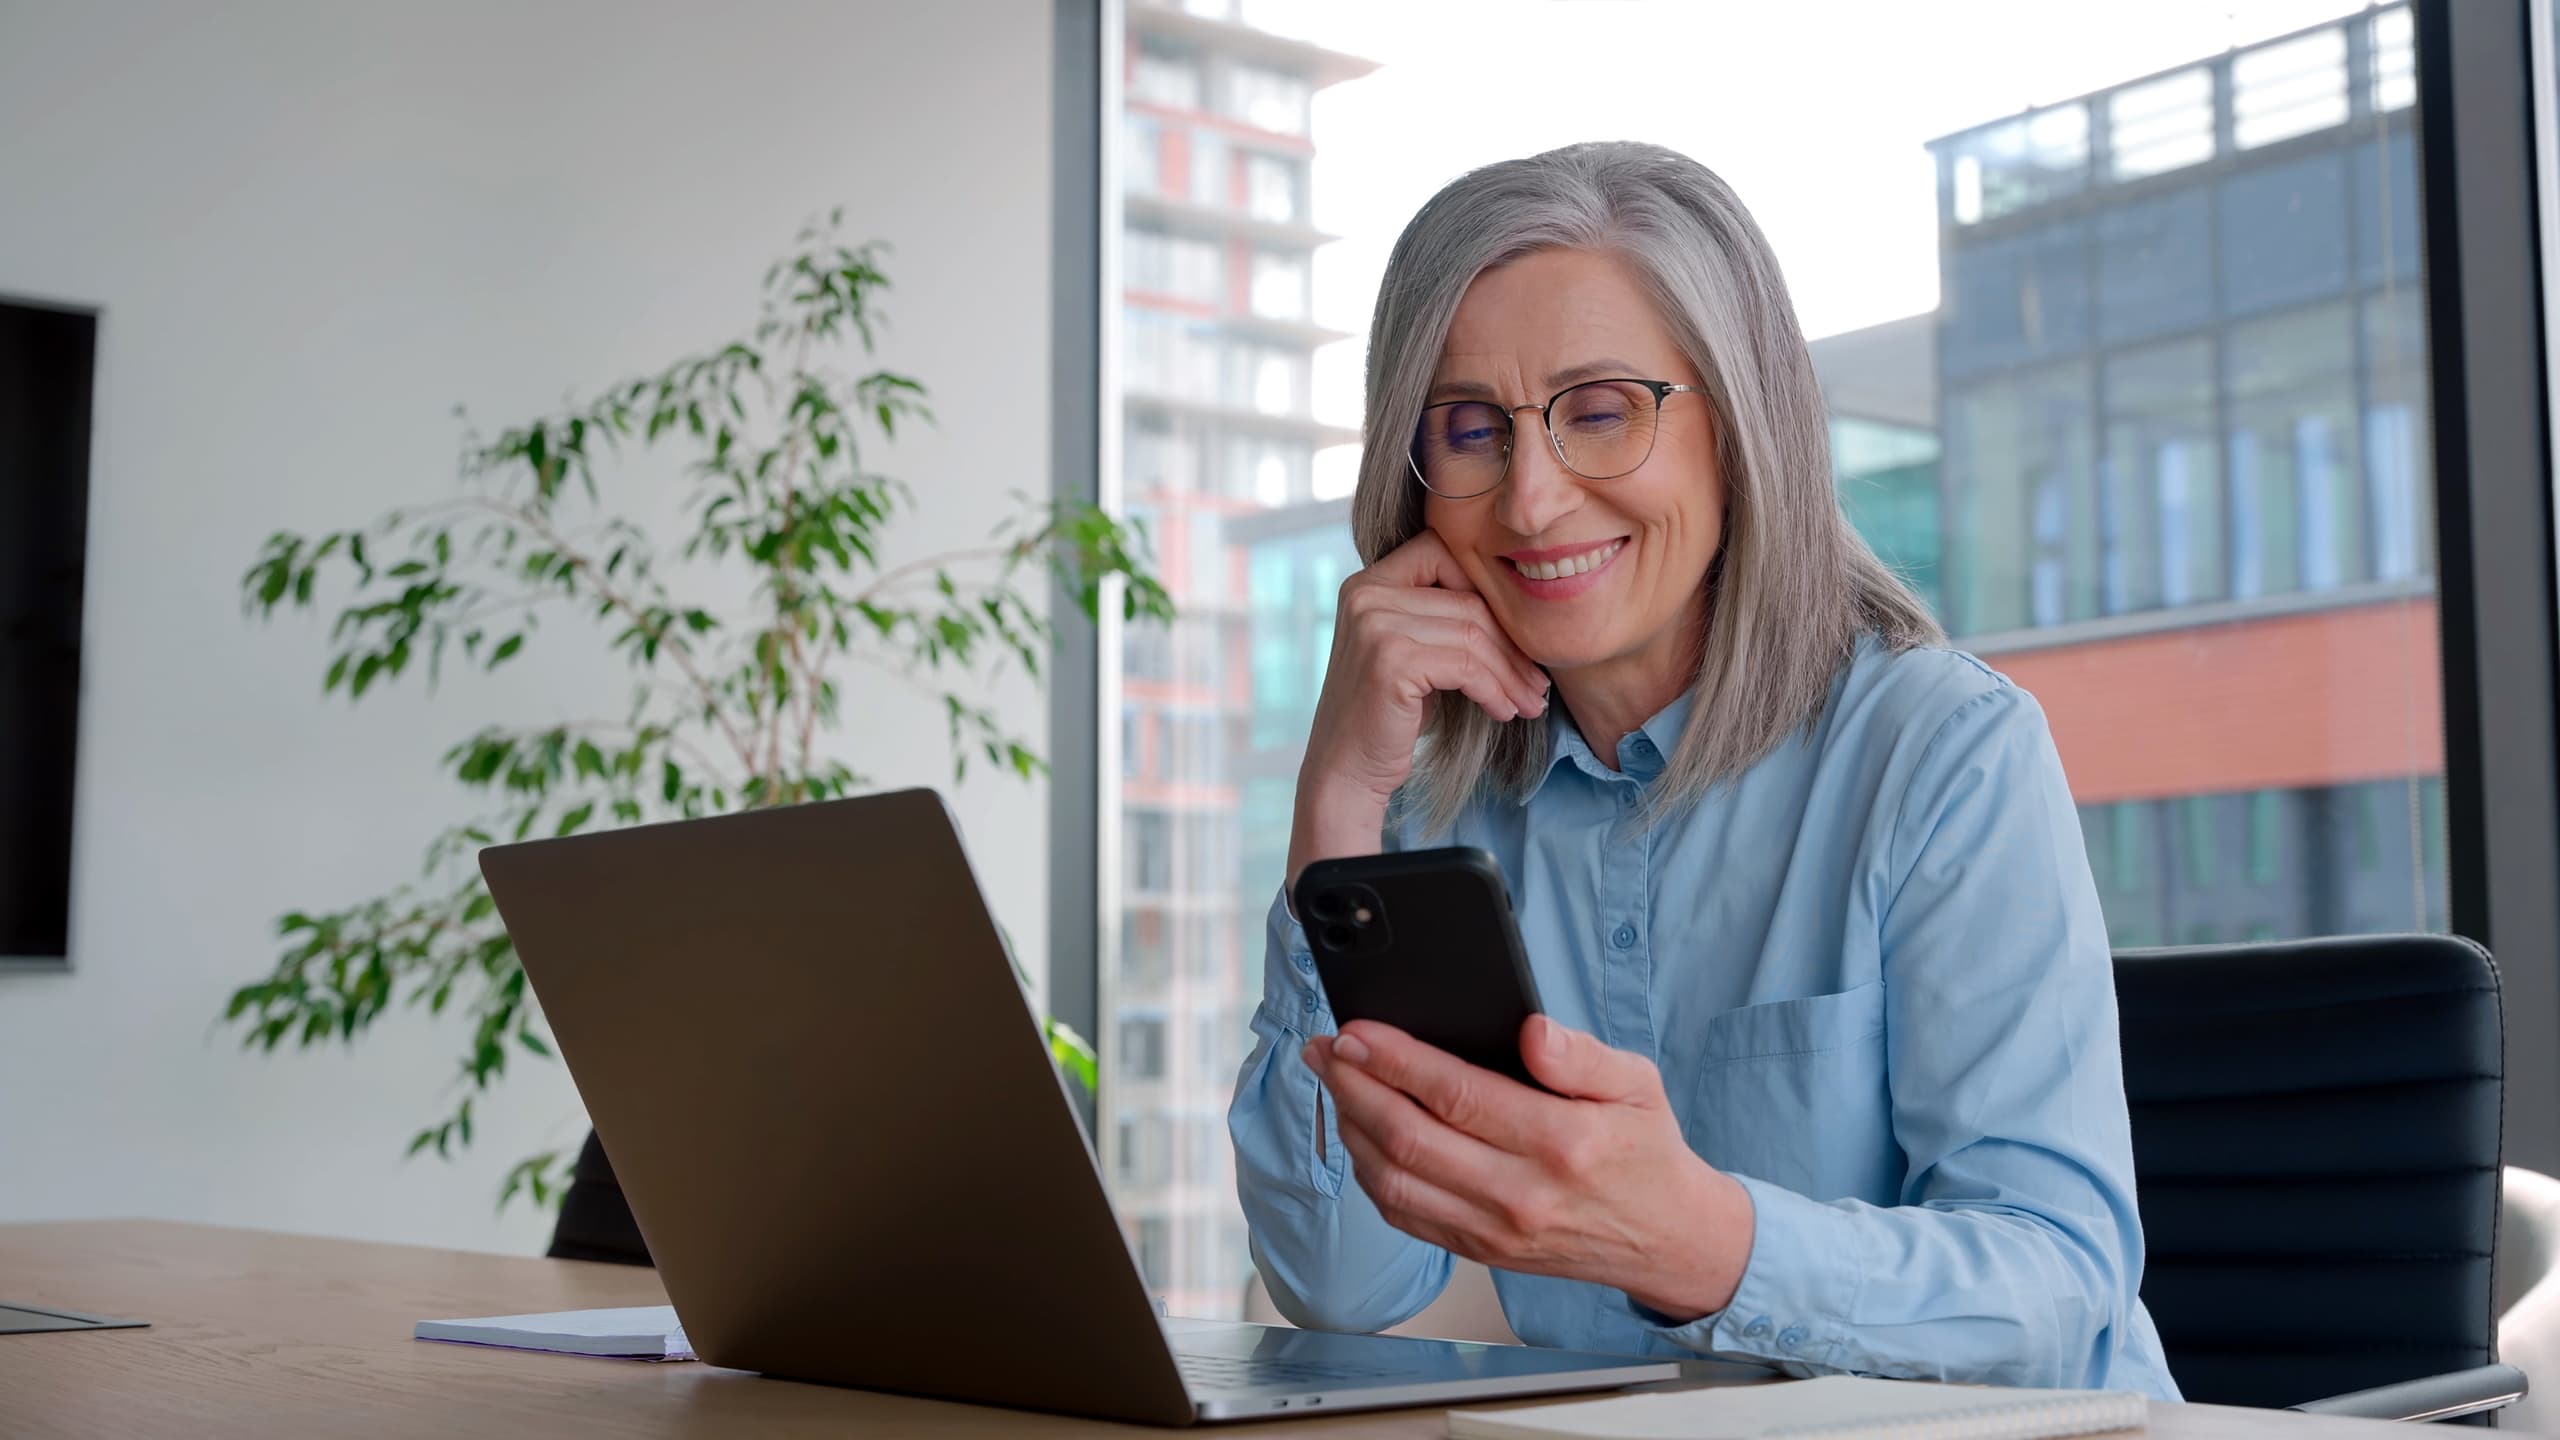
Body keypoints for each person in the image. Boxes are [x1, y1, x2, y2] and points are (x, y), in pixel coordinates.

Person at [1226, 141, 2178, 1397]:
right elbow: (1345, 1282)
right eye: (1468, 429)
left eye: (1601, 412)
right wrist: (1337, 802)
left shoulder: (1943, 753)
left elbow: (2055, 1289)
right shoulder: (1424, 814)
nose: (1530, 500)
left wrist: (1701, 1245)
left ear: (1736, 428)